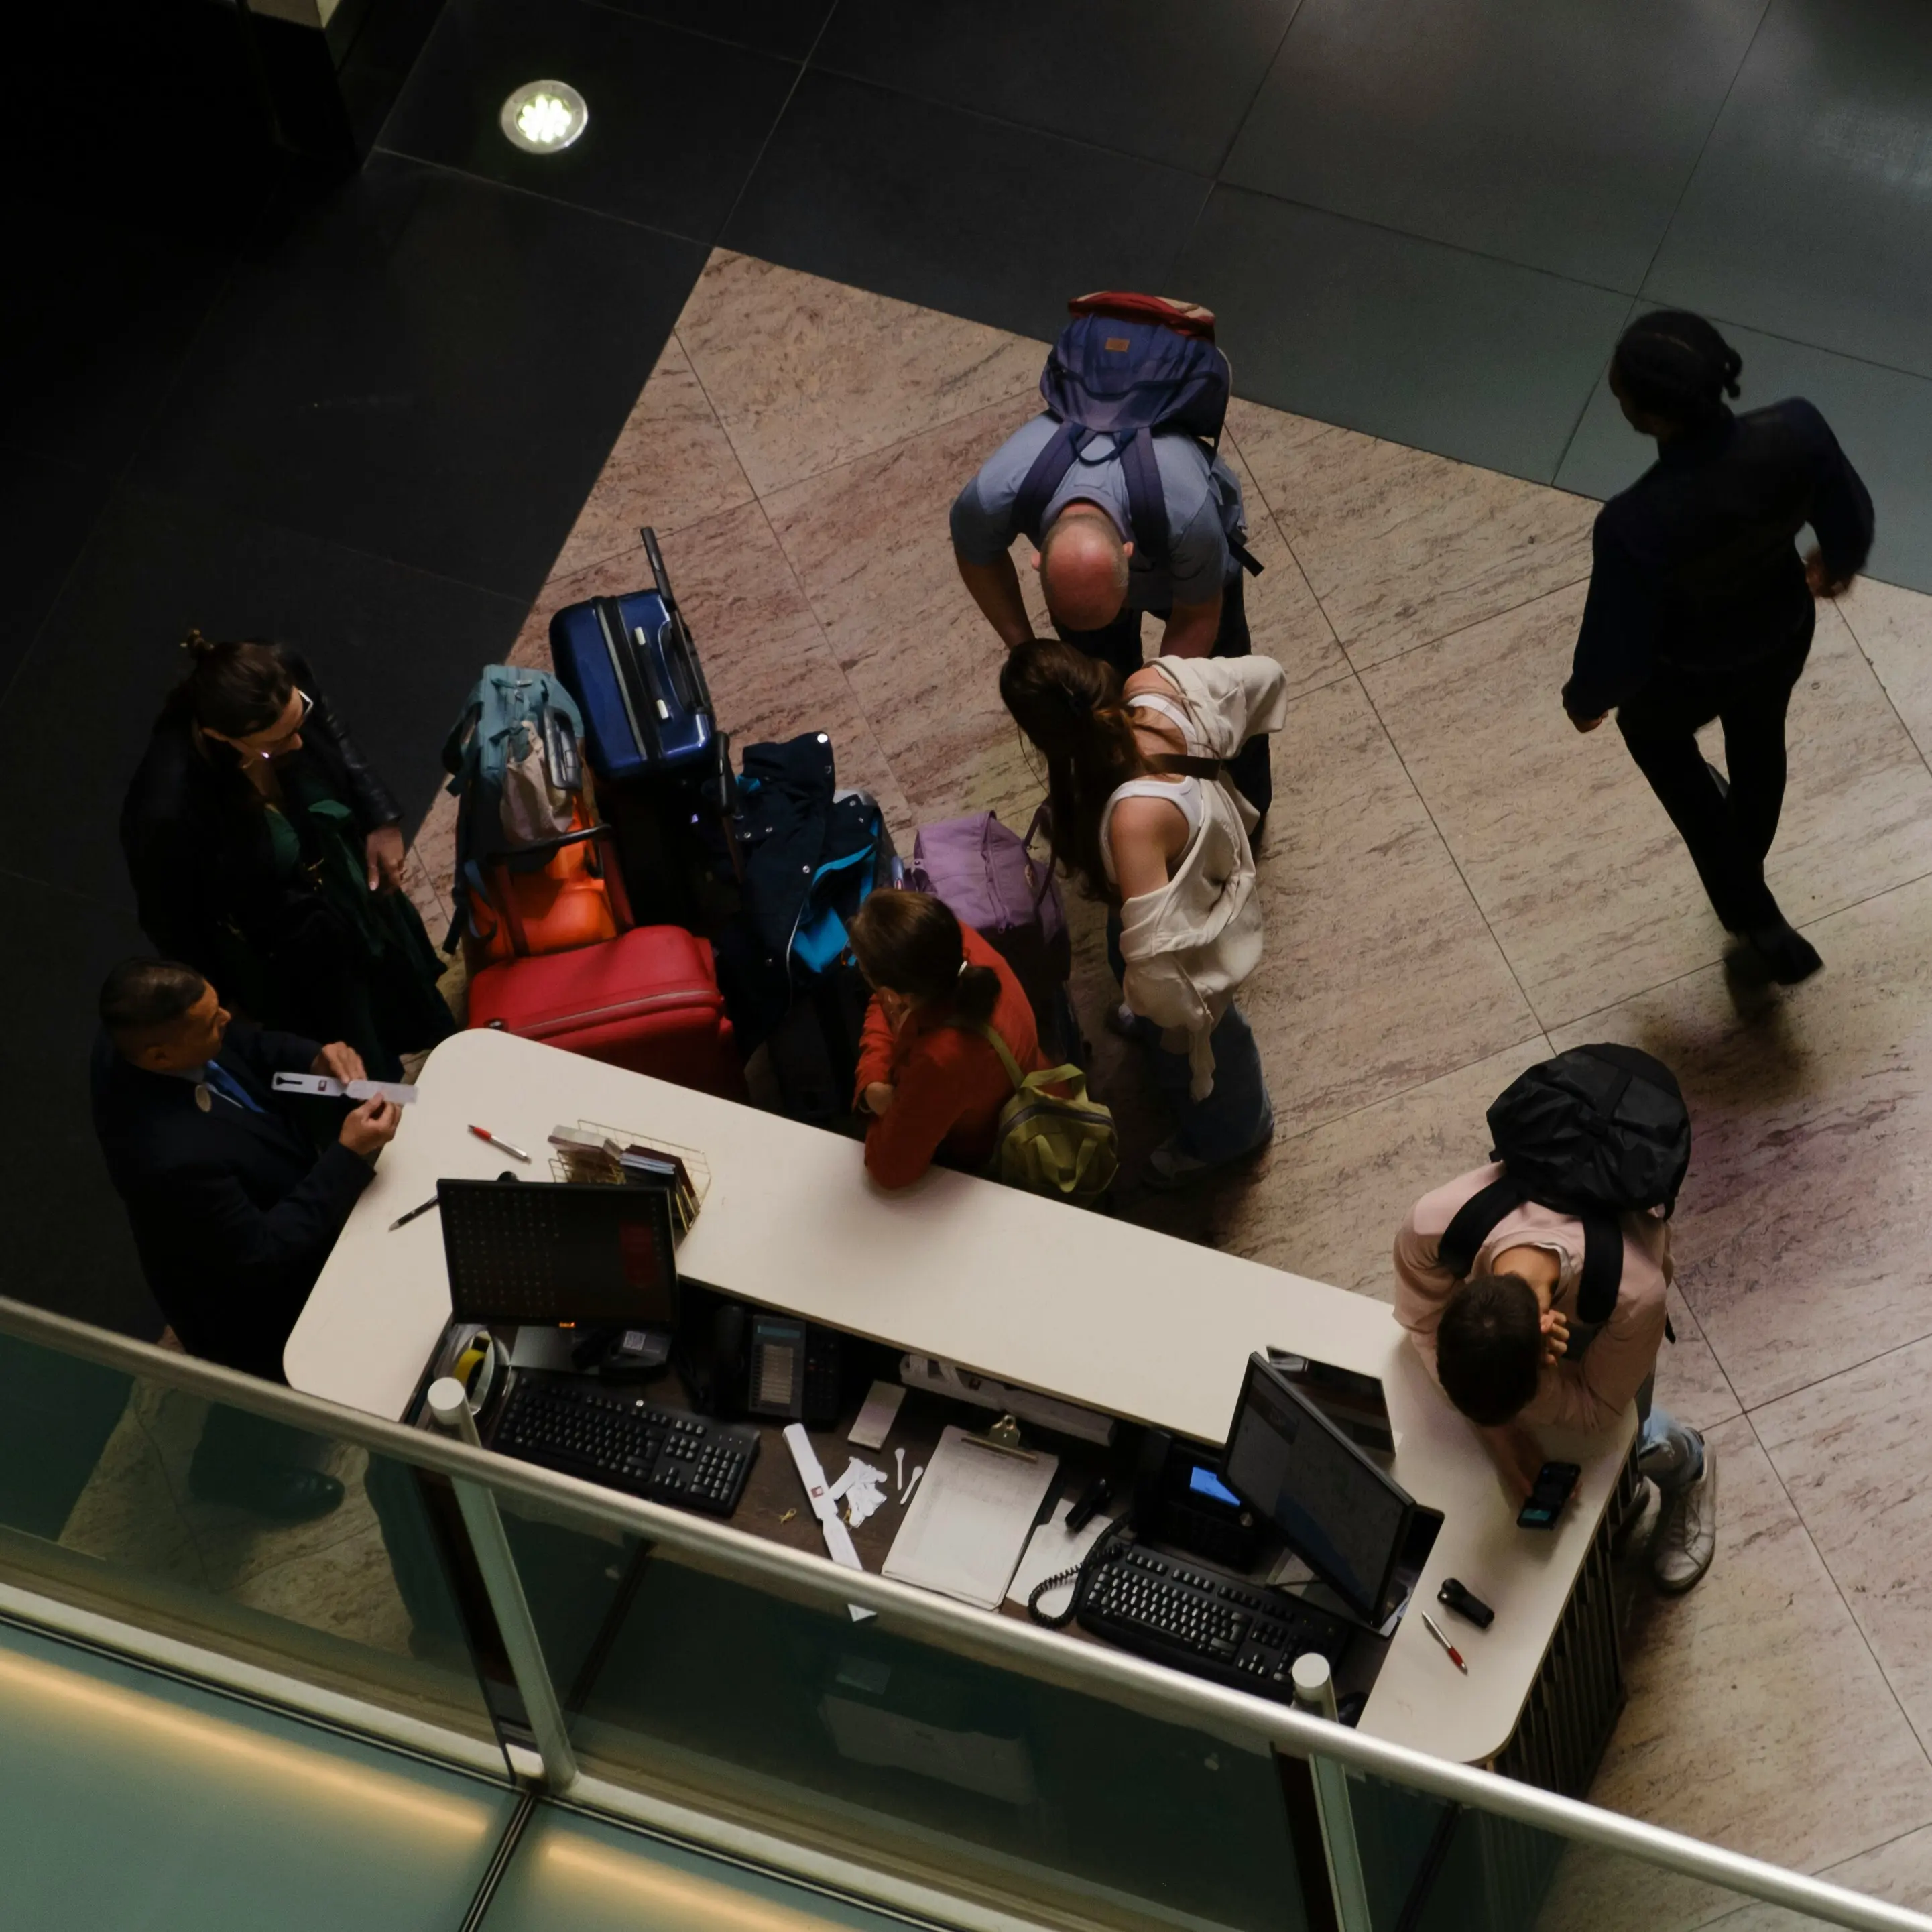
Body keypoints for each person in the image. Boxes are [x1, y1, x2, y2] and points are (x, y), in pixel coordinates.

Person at [1563, 310, 1875, 985]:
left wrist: (1586, 700)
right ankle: (1747, 856)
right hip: (1781, 632)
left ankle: (1748, 905)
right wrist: (1836, 560)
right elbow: (1849, 511)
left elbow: (1616, 642)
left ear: (1647, 416)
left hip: (1686, 674)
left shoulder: (1631, 523)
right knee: (1759, 742)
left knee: (1655, 741)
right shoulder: (1796, 429)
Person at [90, 958, 401, 1522]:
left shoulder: (148, 1035)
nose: (226, 1020)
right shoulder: (166, 1157)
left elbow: (249, 1046)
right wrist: (347, 1156)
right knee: (257, 1388)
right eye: (211, 1021)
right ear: (160, 1057)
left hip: (254, 1200)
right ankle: (227, 1473)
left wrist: (313, 1055)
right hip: (232, 1291)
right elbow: (262, 1252)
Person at [1000, 640, 1285, 1187]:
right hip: (1193, 868)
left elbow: (1159, 970)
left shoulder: (1133, 821)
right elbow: (1265, 675)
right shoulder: (1155, 685)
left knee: (1206, 1027)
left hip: (1188, 932)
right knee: (1135, 972)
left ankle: (1236, 1132)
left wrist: (1160, 1012)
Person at [121, 632, 455, 1082]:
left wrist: (380, 818)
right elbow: (172, 921)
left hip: (341, 877)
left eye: (299, 721)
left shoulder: (279, 670)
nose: (297, 746)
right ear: (220, 736)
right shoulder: (165, 807)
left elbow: (333, 733)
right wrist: (226, 1000)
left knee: (398, 984)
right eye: (274, 744)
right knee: (356, 1043)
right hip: (291, 937)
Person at [1393, 1162, 1715, 1595]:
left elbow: (1597, 1411)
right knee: (1579, 1453)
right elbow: (1424, 1324)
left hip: (1611, 1309)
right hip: (1555, 1297)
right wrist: (1501, 1435)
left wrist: (1540, 1388)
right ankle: (1624, 1495)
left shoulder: (1634, 1294)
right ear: (1462, 1291)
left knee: (1626, 1439)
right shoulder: (1429, 1228)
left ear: (1548, 1331)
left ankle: (1691, 1466)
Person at [951, 410, 1271, 822]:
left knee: (1223, 687)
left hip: (1192, 566)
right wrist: (1028, 650)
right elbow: (975, 554)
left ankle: (1250, 809)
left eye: (1114, 609)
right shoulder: (991, 497)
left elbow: (1196, 617)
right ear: (1038, 560)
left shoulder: (1188, 517)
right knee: (1092, 684)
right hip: (1120, 556)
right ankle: (1110, 798)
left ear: (1128, 553)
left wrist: (1156, 710)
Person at [847, 891, 1046, 1189]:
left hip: (982, 1157)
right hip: (1021, 1083)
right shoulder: (950, 948)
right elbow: (884, 1006)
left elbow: (889, 1168)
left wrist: (872, 1092)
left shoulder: (940, 1059)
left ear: (893, 993)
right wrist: (873, 1081)